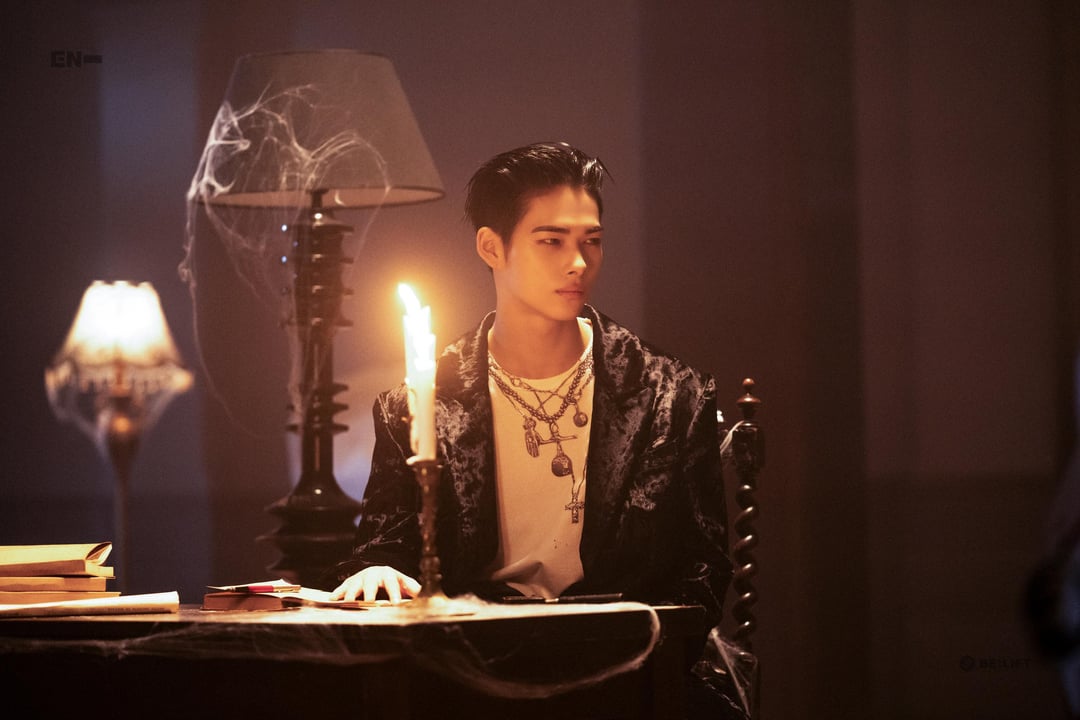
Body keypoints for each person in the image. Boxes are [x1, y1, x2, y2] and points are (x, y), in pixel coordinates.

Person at [327, 142, 732, 634]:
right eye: (552, 241)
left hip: (622, 656)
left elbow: (704, 571)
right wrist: (376, 570)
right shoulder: (419, 404)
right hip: (474, 654)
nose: (578, 262)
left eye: (591, 240)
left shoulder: (668, 393)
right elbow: (384, 548)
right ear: (491, 247)